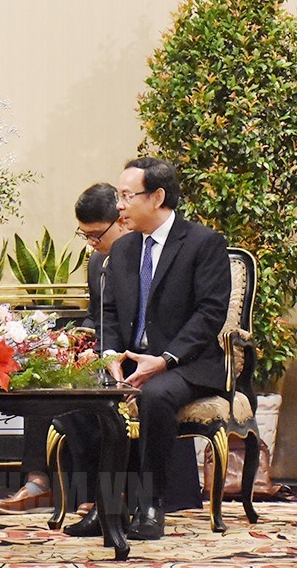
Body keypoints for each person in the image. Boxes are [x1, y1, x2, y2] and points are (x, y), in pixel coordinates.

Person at [97, 156, 230, 541]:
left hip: (186, 365)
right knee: (85, 394)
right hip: (131, 361)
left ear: (156, 197)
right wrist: (109, 357)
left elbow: (210, 315)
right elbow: (107, 310)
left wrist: (165, 359)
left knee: (154, 396)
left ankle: (151, 504)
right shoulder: (122, 250)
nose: (119, 205)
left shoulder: (203, 243)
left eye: (126, 195)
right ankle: (106, 508)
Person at [0, 182, 129, 515]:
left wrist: (105, 349)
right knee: (44, 370)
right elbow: (98, 315)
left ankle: (103, 491)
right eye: (86, 236)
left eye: (97, 235)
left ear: (121, 221)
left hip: (132, 357)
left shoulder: (145, 256)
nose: (93, 244)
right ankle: (39, 481)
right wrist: (80, 337)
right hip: (102, 351)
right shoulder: (98, 262)